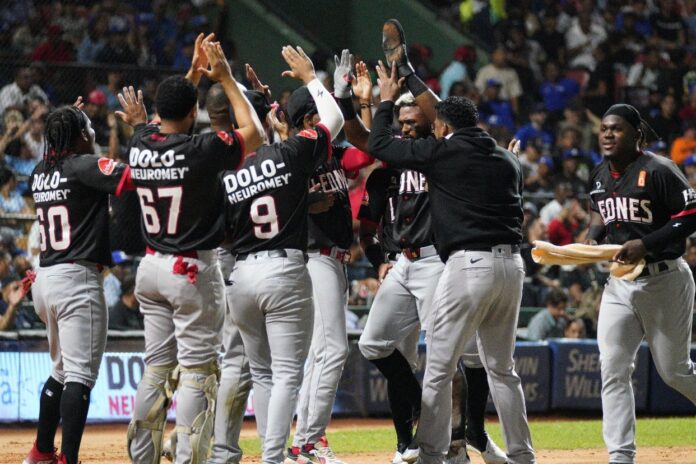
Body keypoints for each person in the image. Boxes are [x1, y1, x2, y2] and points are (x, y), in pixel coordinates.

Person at [373, 19, 535, 464]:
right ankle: (523, 456)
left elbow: (381, 146)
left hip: (471, 267)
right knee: (504, 370)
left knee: (440, 367)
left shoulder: (443, 151)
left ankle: (430, 455)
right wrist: (408, 73)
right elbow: (448, 115)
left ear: (442, 127)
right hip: (512, 269)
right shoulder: (506, 157)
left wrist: (387, 100)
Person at [122, 37, 264, 464]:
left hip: (150, 270)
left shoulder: (140, 143)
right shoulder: (200, 149)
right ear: (193, 113)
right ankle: (187, 459)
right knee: (199, 376)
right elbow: (254, 133)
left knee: (156, 369)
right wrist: (223, 78)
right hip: (191, 272)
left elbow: (167, 115)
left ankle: (142, 456)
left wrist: (191, 77)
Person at [219, 45, 344, 464]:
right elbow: (335, 121)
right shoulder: (291, 154)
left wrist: (230, 83)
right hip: (284, 271)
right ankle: (273, 458)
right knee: (289, 372)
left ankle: (236, 451)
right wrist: (311, 77)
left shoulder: (227, 173)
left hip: (239, 276)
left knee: (261, 374)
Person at [585, 102, 696, 463]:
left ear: (637, 134)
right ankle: (620, 455)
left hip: (663, 279)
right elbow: (599, 213)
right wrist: (591, 237)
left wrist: (645, 244)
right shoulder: (600, 174)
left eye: (616, 128)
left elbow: (692, 213)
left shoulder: (660, 169)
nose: (607, 134)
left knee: (674, 371)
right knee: (613, 367)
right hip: (619, 285)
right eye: (604, 128)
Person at [24, 102, 133, 464]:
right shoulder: (85, 166)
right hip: (76, 280)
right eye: (88, 130)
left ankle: (41, 451)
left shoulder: (40, 171)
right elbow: (128, 178)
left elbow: (70, 157)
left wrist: (70, 118)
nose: (93, 135)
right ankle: (67, 458)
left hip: (46, 279)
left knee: (61, 370)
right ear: (79, 137)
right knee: (81, 377)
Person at [286, 50, 374, 463]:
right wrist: (323, 88)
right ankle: (307, 442)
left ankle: (306, 440)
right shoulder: (299, 153)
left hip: (331, 259)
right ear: (307, 122)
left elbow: (366, 151)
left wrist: (349, 97)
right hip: (314, 256)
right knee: (333, 350)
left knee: (322, 353)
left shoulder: (330, 154)